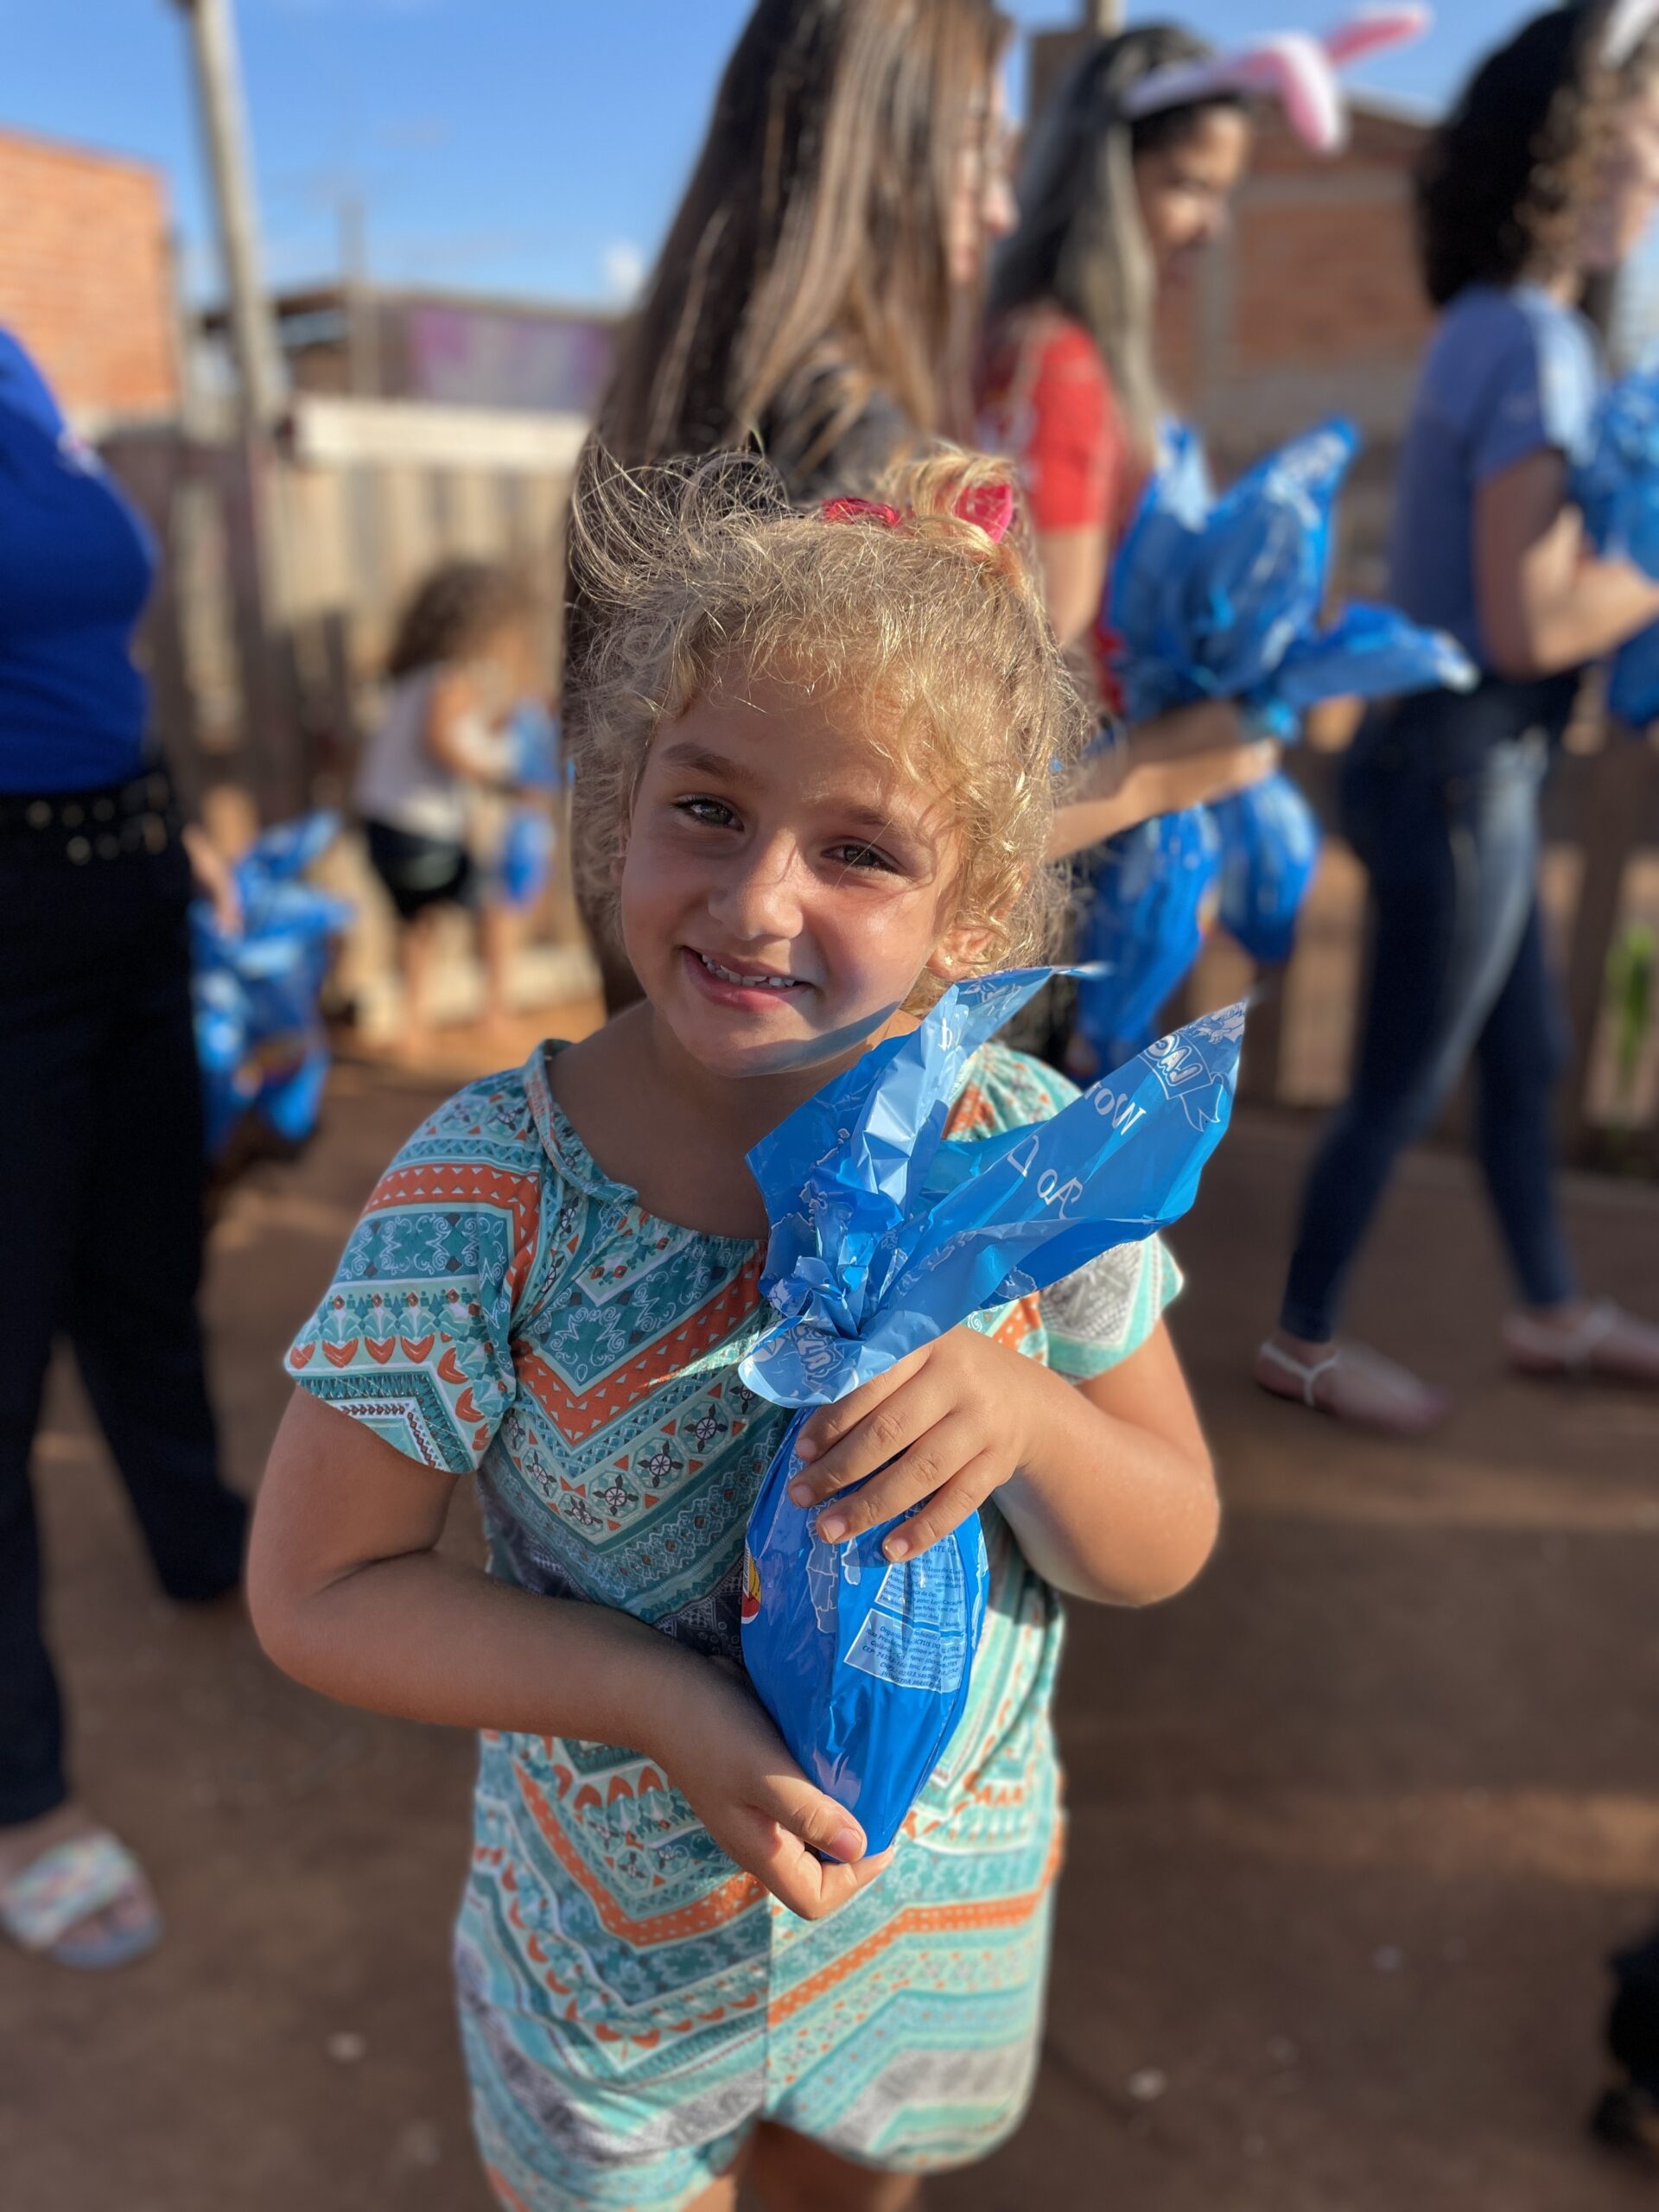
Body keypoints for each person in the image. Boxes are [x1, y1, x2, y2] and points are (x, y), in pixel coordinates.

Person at [249, 448, 1220, 2212]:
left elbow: (1164, 1530)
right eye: (707, 806)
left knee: (854, 2184)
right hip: (611, 1965)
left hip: (930, 1921)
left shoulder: (1020, 1158)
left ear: (971, 914)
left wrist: (1028, 1412)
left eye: (861, 849)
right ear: (616, 802)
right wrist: (652, 1699)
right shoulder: (491, 1184)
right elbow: (318, 1586)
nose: (760, 899)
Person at [1258, 1, 1659, 1433]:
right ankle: (1300, 1339)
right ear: (1577, 150)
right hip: (1461, 767)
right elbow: (1529, 619)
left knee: (1523, 1055)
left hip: (1448, 764)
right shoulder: (1538, 346)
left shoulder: (1491, 327)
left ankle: (1547, 1305)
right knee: (1398, 1078)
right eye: (1652, 141)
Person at [0, 326, 247, 1969]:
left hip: (131, 888)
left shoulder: (16, 361)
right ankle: (22, 1794)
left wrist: (183, 817)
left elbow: (82, 635)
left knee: (149, 1283)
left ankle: (203, 1551)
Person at [355, 559, 541, 1056]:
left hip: (383, 825)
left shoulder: (409, 678)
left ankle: (412, 1026)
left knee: (418, 921)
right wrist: (502, 779)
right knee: (496, 902)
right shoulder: (452, 679)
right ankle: (495, 1011)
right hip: (423, 829)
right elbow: (441, 738)